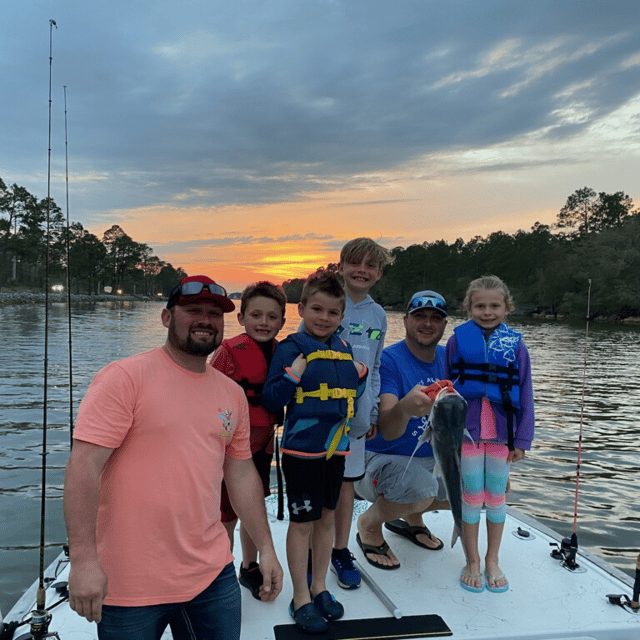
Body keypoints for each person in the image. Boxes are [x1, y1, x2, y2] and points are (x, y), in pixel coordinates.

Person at [63, 275, 283, 640]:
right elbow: (83, 468)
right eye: (193, 311)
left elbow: (241, 475)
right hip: (128, 583)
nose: (205, 320)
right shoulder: (123, 378)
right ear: (167, 318)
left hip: (212, 575)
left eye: (215, 314)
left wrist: (266, 549)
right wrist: (84, 562)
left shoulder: (231, 394)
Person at [262, 270, 367, 634]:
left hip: (337, 450)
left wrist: (362, 374)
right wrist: (293, 375)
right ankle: (301, 596)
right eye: (317, 309)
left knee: (326, 520)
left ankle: (320, 586)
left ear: (341, 317)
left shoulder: (345, 348)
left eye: (332, 313)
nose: (324, 318)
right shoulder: (291, 348)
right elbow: (272, 398)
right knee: (303, 523)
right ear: (302, 308)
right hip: (301, 452)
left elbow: (351, 390)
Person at [444, 275, 534, 594]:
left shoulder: (517, 346)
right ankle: (471, 560)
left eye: (494, 305)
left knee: (496, 497)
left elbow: (525, 393)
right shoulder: (456, 341)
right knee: (471, 497)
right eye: (479, 305)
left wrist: (522, 441)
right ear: (468, 308)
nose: (487, 311)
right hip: (466, 435)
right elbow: (445, 390)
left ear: (507, 307)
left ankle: (492, 559)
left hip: (502, 435)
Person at [354, 290, 449, 570]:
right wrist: (406, 408)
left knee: (485, 487)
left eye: (436, 318)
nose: (428, 323)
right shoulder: (388, 360)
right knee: (422, 489)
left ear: (445, 325)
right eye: (420, 316)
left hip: (430, 461)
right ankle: (369, 524)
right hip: (378, 460)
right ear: (406, 320)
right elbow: (386, 430)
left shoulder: (451, 358)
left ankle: (411, 516)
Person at [211, 281, 287, 600]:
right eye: (256, 315)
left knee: (252, 509)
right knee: (225, 515)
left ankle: (249, 566)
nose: (264, 323)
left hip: (262, 447)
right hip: (226, 450)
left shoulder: (285, 353)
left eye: (272, 317)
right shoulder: (228, 351)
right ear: (241, 318)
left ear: (282, 321)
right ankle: (220, 571)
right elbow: (206, 395)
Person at [328, 238, 392, 589]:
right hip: (324, 412)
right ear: (341, 265)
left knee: (346, 489)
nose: (362, 271)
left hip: (358, 417)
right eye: (355, 263)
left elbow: (377, 366)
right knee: (320, 484)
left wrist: (374, 410)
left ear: (379, 273)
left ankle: (339, 550)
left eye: (370, 266)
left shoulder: (378, 315)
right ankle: (312, 551)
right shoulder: (328, 303)